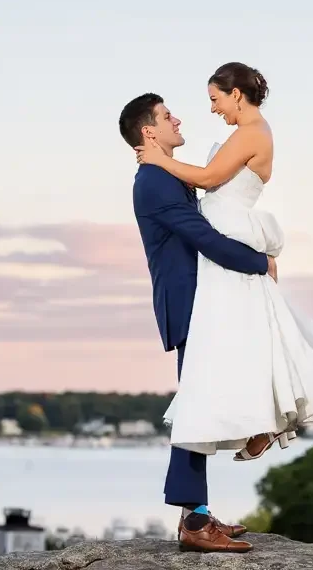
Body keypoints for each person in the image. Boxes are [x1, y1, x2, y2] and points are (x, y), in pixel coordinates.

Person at [134, 62, 313, 464]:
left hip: (227, 235)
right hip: (221, 235)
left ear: (236, 95)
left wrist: (158, 159)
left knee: (239, 339)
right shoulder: (247, 133)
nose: (212, 108)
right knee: (245, 337)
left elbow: (208, 178)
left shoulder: (252, 133)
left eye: (215, 99)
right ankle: (262, 424)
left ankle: (260, 423)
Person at [122, 92, 273, 553]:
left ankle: (200, 511)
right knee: (195, 407)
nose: (178, 120)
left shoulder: (168, 175)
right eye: (168, 116)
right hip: (188, 301)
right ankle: (194, 521)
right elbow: (203, 237)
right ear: (149, 131)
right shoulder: (154, 182)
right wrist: (260, 262)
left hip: (205, 299)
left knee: (203, 401)